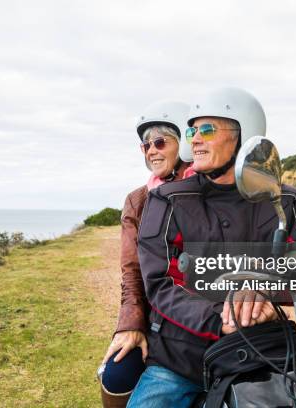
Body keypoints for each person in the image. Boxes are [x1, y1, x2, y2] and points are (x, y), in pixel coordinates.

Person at [127, 87, 296, 407]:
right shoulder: (168, 199)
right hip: (181, 358)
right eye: (191, 130)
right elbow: (159, 282)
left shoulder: (284, 199)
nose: (195, 139)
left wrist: (264, 286)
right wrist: (219, 316)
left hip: (263, 349)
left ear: (244, 134)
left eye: (206, 129)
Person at [98, 100, 193, 408]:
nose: (152, 150)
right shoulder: (138, 200)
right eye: (145, 145)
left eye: (161, 142)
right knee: (115, 373)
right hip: (159, 316)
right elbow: (132, 269)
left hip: (209, 314)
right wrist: (130, 324)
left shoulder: (210, 189)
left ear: (185, 143)